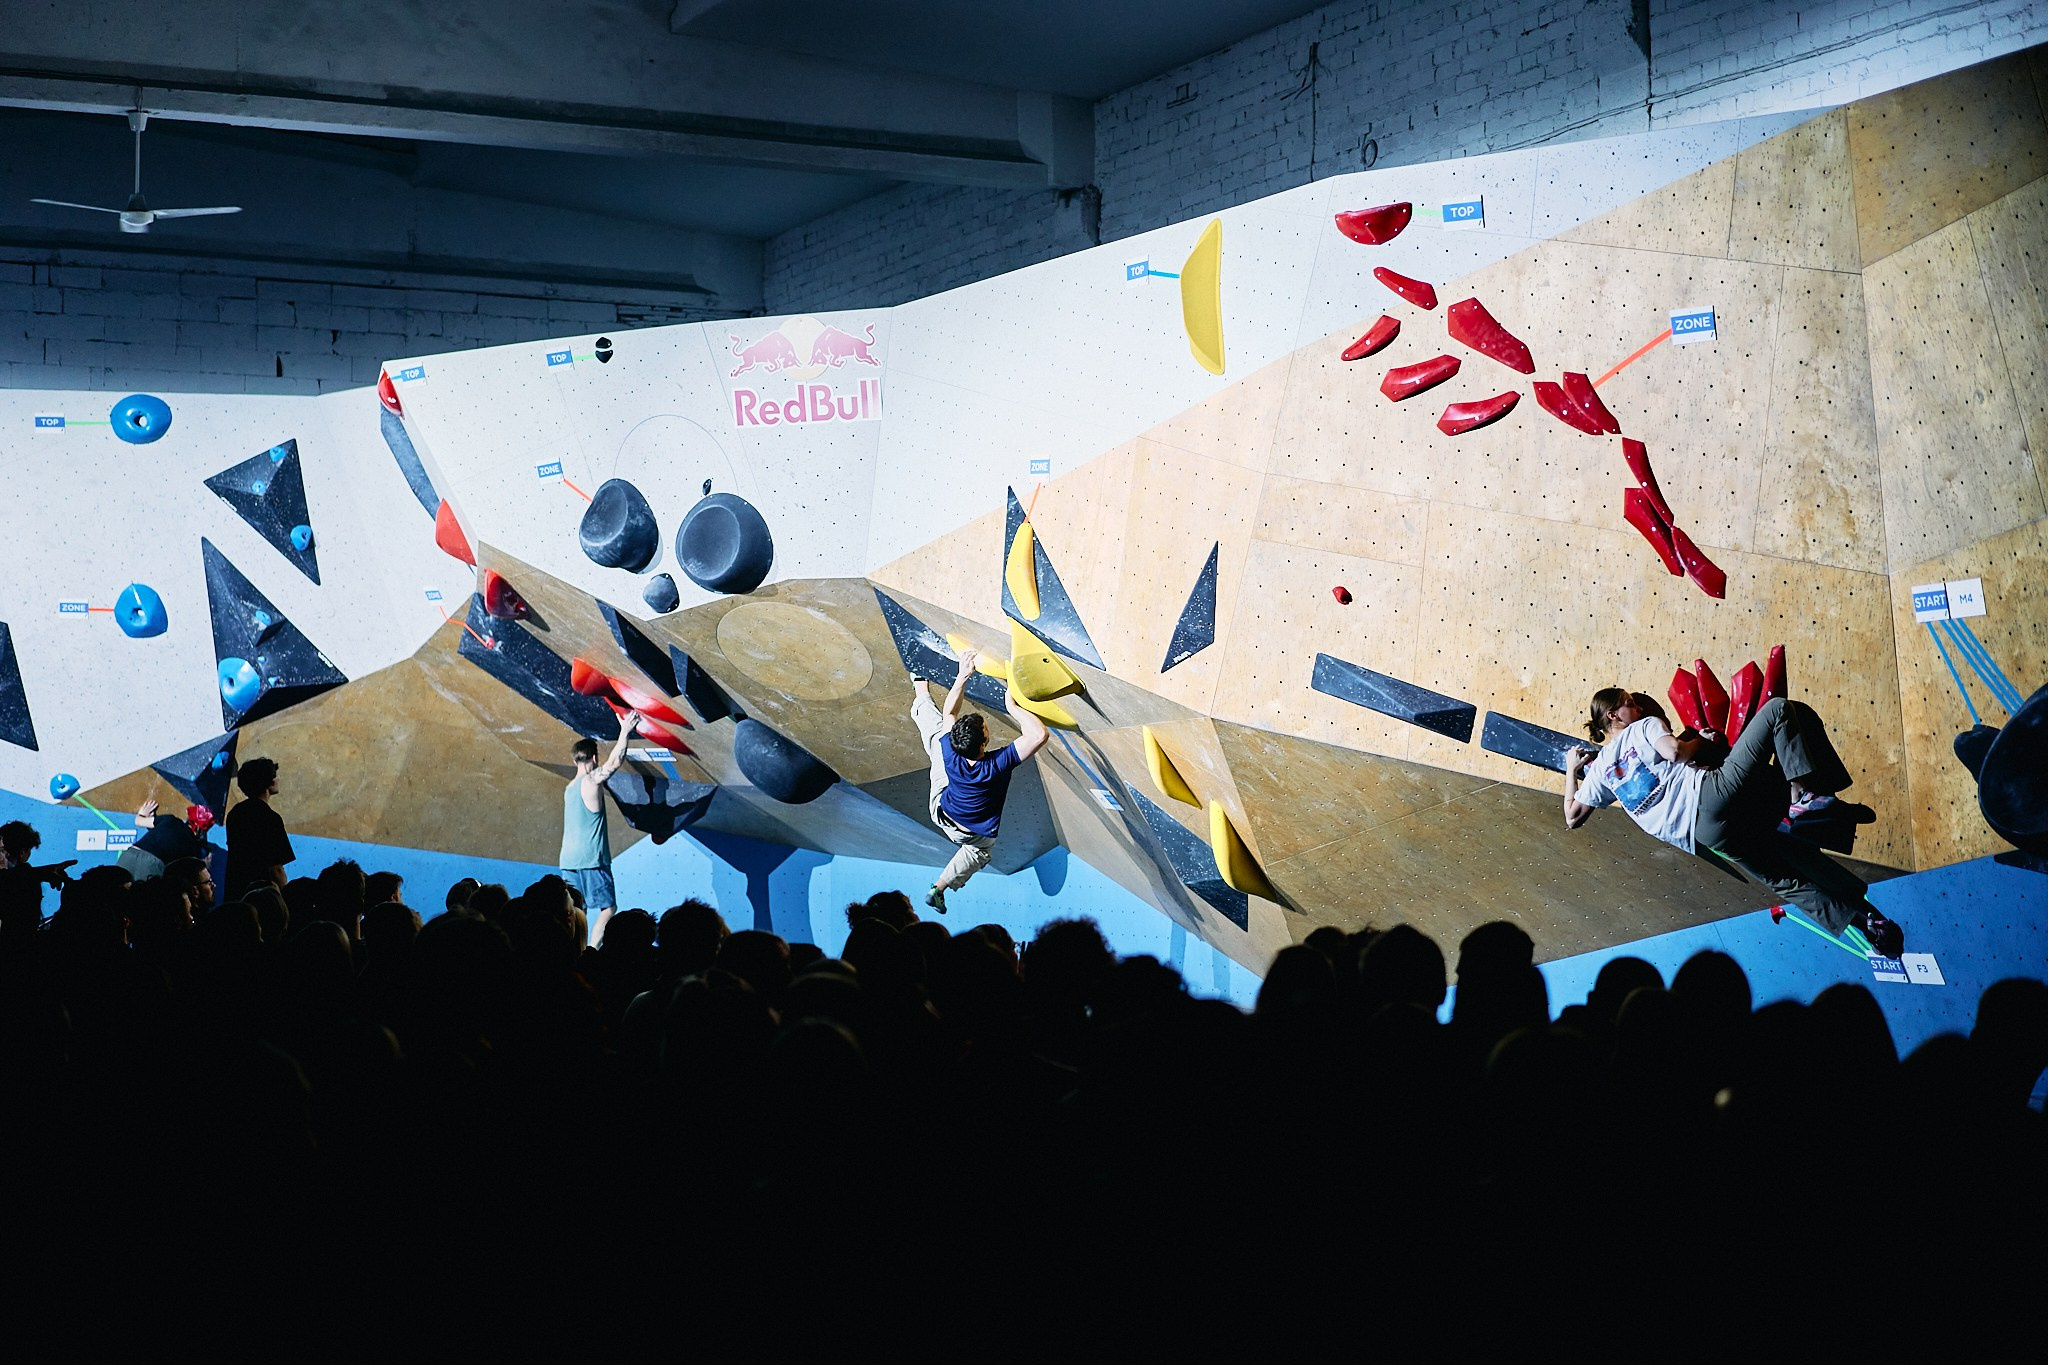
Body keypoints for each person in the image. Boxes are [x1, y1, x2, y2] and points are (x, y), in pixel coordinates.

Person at [1564, 688, 1903, 956]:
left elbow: (1572, 817)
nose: (1637, 708)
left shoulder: (1600, 770)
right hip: (1712, 796)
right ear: (1614, 715)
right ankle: (1804, 798)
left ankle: (1869, 924)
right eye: (1630, 704)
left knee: (1787, 879)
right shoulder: (1644, 726)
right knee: (1779, 710)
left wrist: (1570, 770)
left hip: (1705, 836)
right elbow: (1674, 752)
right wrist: (1700, 742)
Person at [909, 650, 1049, 914]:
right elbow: (1039, 734)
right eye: (986, 729)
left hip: (947, 807)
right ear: (984, 744)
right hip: (944, 813)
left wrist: (963, 676)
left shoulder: (951, 749)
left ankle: (920, 687)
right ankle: (938, 888)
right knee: (977, 852)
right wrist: (1012, 708)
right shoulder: (994, 766)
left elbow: (949, 713)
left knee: (936, 736)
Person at [563, 710, 639, 947]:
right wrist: (625, 731)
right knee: (608, 908)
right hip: (592, 860)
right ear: (594, 759)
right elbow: (614, 762)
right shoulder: (591, 780)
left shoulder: (569, 788)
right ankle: (592, 952)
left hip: (568, 861)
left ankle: (575, 951)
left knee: (577, 911)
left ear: (575, 760)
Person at [224, 757, 294, 898]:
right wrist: (286, 898)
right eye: (275, 776)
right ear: (269, 782)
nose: (278, 779)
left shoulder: (235, 814)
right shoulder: (270, 818)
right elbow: (276, 869)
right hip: (263, 897)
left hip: (236, 893)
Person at [0, 819, 73, 944]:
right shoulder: (24, 880)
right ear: (23, 852)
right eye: (2, 850)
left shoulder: (20, 878)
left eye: (3, 849)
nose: (4, 855)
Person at [117, 798, 216, 882]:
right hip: (152, 864)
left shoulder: (170, 820)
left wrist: (142, 814)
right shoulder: (194, 850)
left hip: (130, 854)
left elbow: (138, 821)